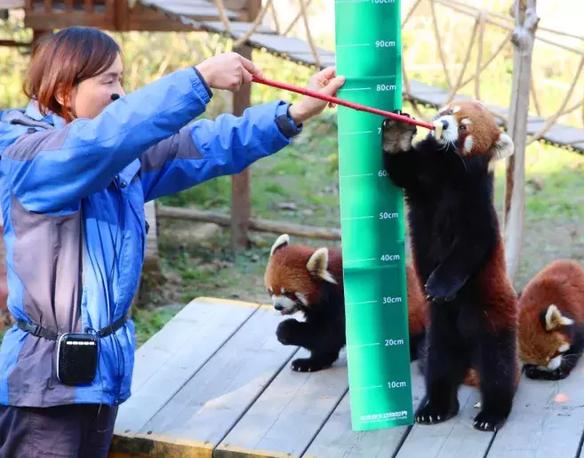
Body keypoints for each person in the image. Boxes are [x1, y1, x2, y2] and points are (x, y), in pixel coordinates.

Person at [0, 26, 344, 457]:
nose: (119, 93)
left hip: (101, 377)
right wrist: (197, 80)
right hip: (44, 390)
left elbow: (206, 144)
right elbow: (92, 145)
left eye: (122, 79)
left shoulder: (120, 156)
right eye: (107, 81)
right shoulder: (26, 152)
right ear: (64, 90)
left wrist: (292, 113)